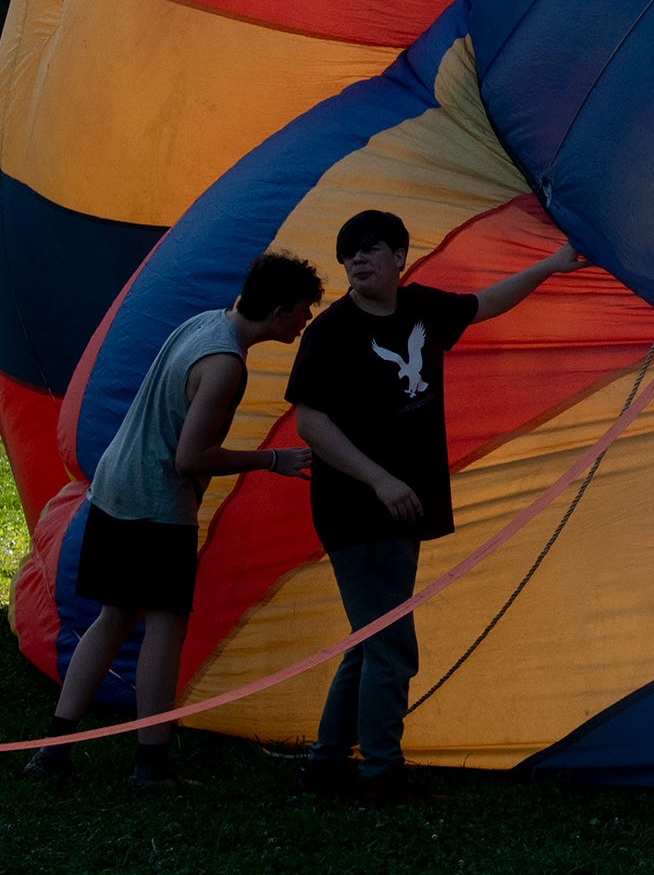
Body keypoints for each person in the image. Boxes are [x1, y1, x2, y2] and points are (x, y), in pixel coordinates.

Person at [288, 207, 581, 799]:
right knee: (391, 646)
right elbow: (310, 421)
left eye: (369, 249)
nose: (357, 261)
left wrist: (553, 264)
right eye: (349, 254)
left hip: (402, 504)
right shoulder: (333, 331)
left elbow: (486, 303)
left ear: (399, 256)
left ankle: (324, 762)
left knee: (372, 639)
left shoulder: (421, 308)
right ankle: (380, 772)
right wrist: (380, 480)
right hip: (357, 507)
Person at [24, 250, 324, 785]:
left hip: (114, 489)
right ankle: (151, 764)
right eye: (303, 311)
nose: (305, 322)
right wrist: (273, 459)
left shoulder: (205, 321)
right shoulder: (225, 362)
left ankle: (52, 750)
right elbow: (190, 458)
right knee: (164, 628)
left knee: (113, 617)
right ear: (279, 312)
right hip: (155, 506)